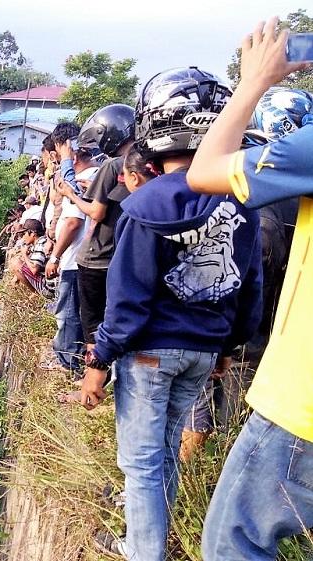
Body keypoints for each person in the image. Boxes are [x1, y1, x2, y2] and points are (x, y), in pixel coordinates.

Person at [79, 67, 264, 561]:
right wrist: (225, 349)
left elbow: (128, 299)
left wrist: (98, 362)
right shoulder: (241, 203)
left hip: (149, 355)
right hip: (204, 354)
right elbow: (248, 288)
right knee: (164, 450)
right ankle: (149, 543)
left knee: (140, 462)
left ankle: (143, 551)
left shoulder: (146, 204)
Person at [184, 19, 313, 561]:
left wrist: (253, 80)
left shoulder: (299, 158)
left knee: (232, 540)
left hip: (300, 400)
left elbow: (205, 169)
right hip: (260, 352)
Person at [58, 104, 137, 355]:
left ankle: (91, 379)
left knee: (92, 324)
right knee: (113, 318)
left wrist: (70, 193)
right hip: (121, 256)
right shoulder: (144, 163)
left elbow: (96, 212)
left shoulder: (113, 166)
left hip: (97, 257)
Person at [46, 122, 97, 375]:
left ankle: (70, 367)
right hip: (82, 260)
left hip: (75, 261)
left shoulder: (84, 180)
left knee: (69, 316)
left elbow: (74, 221)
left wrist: (55, 256)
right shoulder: (93, 177)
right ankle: (76, 366)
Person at [8, 219, 53, 297]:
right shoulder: (40, 242)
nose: (23, 237)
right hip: (48, 282)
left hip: (49, 288)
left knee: (16, 263)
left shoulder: (41, 244)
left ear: (33, 234)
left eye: (24, 233)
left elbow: (34, 269)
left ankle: (37, 293)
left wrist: (24, 255)